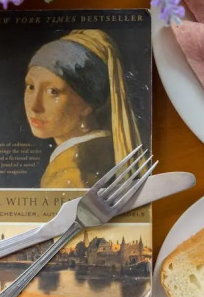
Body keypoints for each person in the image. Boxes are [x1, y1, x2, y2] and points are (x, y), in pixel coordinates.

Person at [24, 29, 142, 188]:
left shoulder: (70, 172)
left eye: (53, 91)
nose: (34, 106)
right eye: (30, 87)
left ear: (87, 103)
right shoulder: (107, 149)